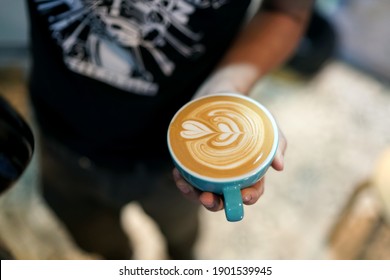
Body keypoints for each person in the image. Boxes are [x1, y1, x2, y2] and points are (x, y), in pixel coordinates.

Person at [25, 0, 312, 259]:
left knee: (181, 237)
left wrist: (227, 85)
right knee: (100, 243)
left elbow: (285, 9)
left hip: (174, 162)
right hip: (57, 137)